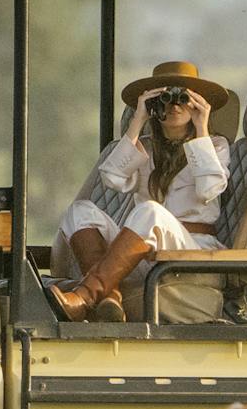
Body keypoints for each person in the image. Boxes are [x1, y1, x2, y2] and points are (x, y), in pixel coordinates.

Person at [49, 61, 233, 320]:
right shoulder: (144, 146)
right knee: (79, 211)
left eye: (184, 97)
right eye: (165, 98)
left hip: (191, 250)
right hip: (145, 255)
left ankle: (86, 296)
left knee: (150, 211)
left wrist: (201, 128)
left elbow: (209, 189)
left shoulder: (215, 145)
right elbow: (111, 178)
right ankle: (109, 297)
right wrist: (137, 120)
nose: (175, 104)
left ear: (197, 103)